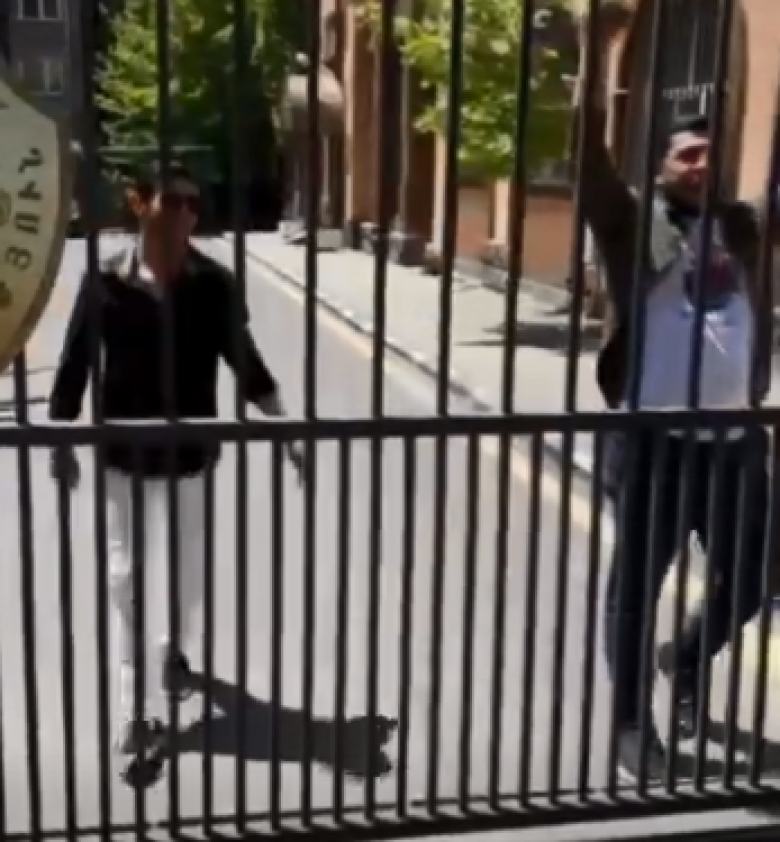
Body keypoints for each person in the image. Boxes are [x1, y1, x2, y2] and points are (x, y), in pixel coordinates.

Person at [573, 4, 775, 781]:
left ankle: (687, 657)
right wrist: (595, 54)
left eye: (710, 153)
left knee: (756, 579)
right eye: (687, 153)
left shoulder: (744, 226)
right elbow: (588, 162)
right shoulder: (634, 226)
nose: (701, 163)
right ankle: (633, 724)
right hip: (654, 446)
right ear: (659, 165)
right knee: (635, 589)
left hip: (735, 447)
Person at [48, 161, 306, 757]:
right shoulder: (104, 280)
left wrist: (285, 426)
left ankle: (173, 650)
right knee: (126, 577)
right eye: (173, 201)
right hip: (124, 453)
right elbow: (74, 363)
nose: (186, 213)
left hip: (190, 454)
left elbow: (244, 359)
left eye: (194, 203)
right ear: (139, 203)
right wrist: (60, 441)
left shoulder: (214, 283)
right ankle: (134, 708)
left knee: (187, 570)